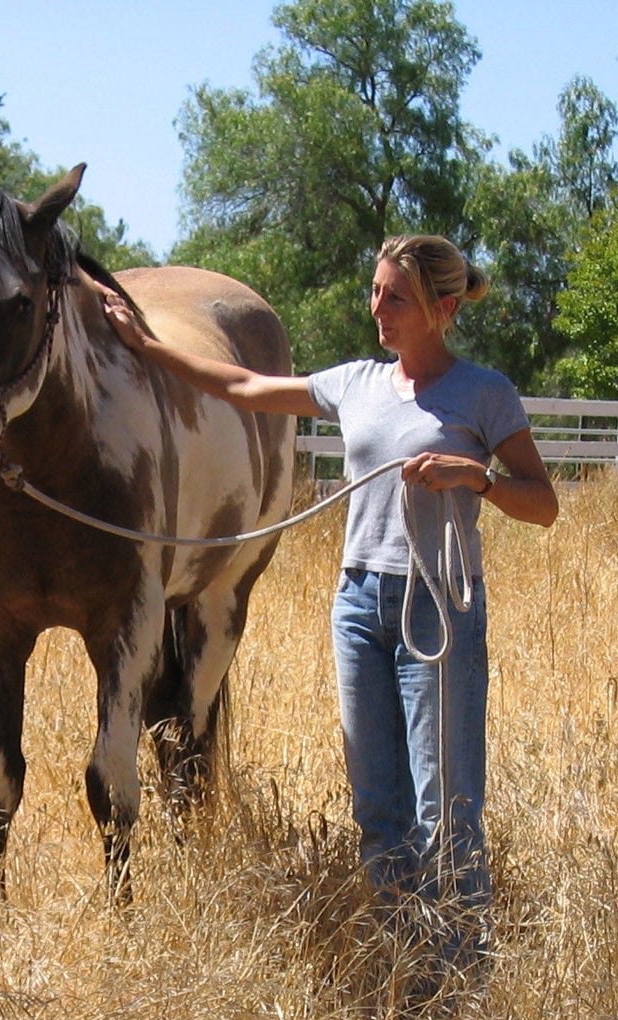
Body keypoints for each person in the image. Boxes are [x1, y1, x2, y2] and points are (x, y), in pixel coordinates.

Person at [101, 235, 558, 973]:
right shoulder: (357, 383)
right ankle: (404, 961)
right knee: (379, 810)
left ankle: (460, 974)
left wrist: (477, 476)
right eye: (375, 292)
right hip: (359, 607)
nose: (378, 309)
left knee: (448, 812)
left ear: (442, 310)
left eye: (396, 297)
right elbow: (241, 388)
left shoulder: (484, 394)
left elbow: (543, 505)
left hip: (437, 610)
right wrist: (144, 346)